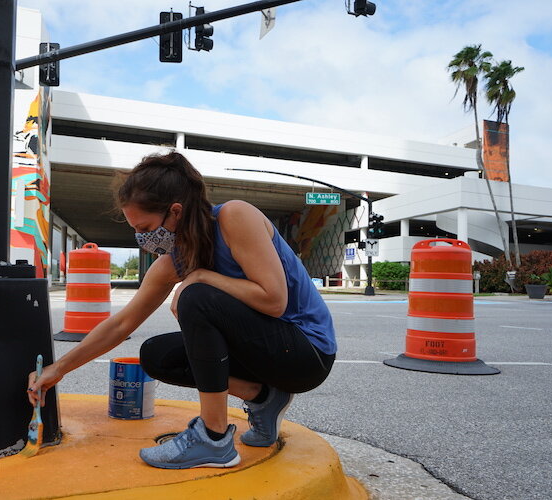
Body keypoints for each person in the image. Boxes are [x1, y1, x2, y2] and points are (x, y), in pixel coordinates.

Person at [28, 151, 337, 469]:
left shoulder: (234, 217)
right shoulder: (175, 260)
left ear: (175, 212)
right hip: (266, 352)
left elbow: (274, 300)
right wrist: (59, 369)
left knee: (196, 296)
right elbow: (122, 324)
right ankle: (263, 397)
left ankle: (213, 439)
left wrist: (200, 277)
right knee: (155, 355)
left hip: (306, 353)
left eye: (145, 227)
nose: (142, 239)